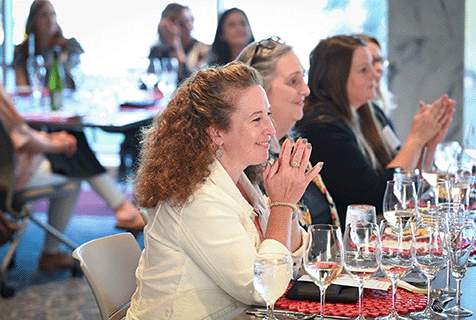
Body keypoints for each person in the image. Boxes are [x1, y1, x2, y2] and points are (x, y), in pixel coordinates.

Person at [126, 62, 320, 319]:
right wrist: (282, 205)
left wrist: (286, 203)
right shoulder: (197, 199)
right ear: (217, 132)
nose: (271, 129)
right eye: (257, 119)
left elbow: (295, 260)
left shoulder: (239, 179)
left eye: (268, 115)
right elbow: (262, 289)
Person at [12, 0, 145, 231]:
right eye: (44, 15)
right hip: (25, 145)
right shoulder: (24, 52)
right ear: (33, 20)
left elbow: (76, 83)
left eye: (52, 14)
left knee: (71, 141)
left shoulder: (67, 46)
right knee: (71, 146)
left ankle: (120, 207)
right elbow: (25, 97)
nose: (50, 20)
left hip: (56, 118)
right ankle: (121, 206)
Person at [295, 35, 455, 225]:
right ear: (336, 78)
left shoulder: (371, 113)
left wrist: (428, 145)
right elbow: (377, 198)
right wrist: (417, 139)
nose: (374, 74)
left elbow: (407, 180)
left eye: (373, 64)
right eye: (364, 70)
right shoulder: (322, 128)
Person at [237, 36, 339, 227]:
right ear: (260, 92)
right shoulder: (247, 162)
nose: (306, 90)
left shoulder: (290, 146)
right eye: (293, 81)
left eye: (303, 77)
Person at [0, 76, 80, 271]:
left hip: (3, 171)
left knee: (68, 152)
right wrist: (56, 145)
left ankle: (121, 207)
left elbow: (17, 133)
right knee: (72, 172)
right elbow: (22, 140)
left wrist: (50, 139)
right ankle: (51, 253)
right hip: (6, 177)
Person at [148, 2, 210, 83]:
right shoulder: (157, 50)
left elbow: (192, 81)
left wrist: (175, 44)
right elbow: (147, 83)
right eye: (181, 24)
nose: (189, 26)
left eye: (189, 21)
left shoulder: (203, 49)